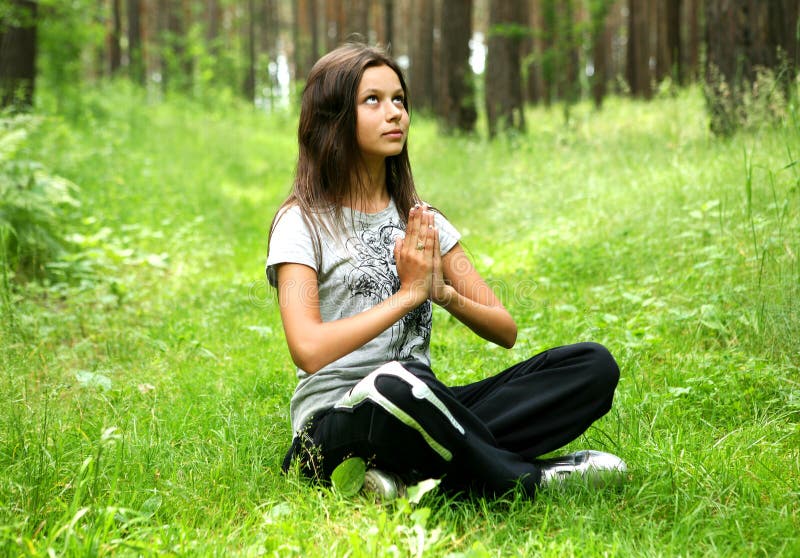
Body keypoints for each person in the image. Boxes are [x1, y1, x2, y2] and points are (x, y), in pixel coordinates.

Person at [266, 42, 625, 500]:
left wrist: (440, 291)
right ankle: (529, 479)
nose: (394, 113)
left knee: (590, 366)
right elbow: (308, 349)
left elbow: (505, 329)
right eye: (372, 100)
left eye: (399, 100)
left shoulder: (422, 218)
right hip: (338, 423)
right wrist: (409, 295)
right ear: (333, 116)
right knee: (394, 384)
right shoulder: (302, 222)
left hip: (425, 404)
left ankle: (403, 477)